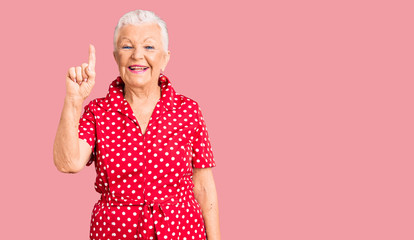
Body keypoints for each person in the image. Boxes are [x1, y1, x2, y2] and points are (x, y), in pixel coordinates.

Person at [53, 9, 221, 240]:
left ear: (166, 57)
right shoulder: (97, 112)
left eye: (149, 47)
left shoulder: (188, 111)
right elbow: (68, 163)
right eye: (127, 46)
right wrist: (73, 100)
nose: (137, 56)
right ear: (115, 56)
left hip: (181, 231)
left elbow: (203, 187)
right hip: (114, 232)